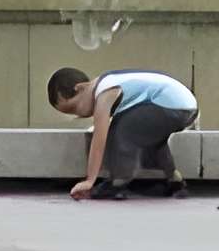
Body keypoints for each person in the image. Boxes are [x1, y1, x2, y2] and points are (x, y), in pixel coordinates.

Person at [49, 65, 196, 199]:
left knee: (123, 128)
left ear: (80, 88)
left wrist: (89, 180)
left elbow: (100, 138)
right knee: (151, 139)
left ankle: (118, 183)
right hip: (182, 106)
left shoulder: (104, 92)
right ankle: (175, 181)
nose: (78, 114)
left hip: (174, 104)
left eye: (73, 108)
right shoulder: (109, 83)